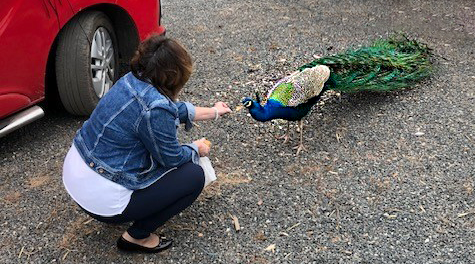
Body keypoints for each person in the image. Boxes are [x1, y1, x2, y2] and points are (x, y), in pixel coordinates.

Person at [62, 35, 232, 253]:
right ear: (175, 76)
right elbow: (170, 157)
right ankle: (137, 236)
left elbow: (167, 110)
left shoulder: (130, 81)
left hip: (76, 173)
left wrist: (214, 111)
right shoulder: (155, 107)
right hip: (102, 200)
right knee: (193, 175)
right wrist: (195, 148)